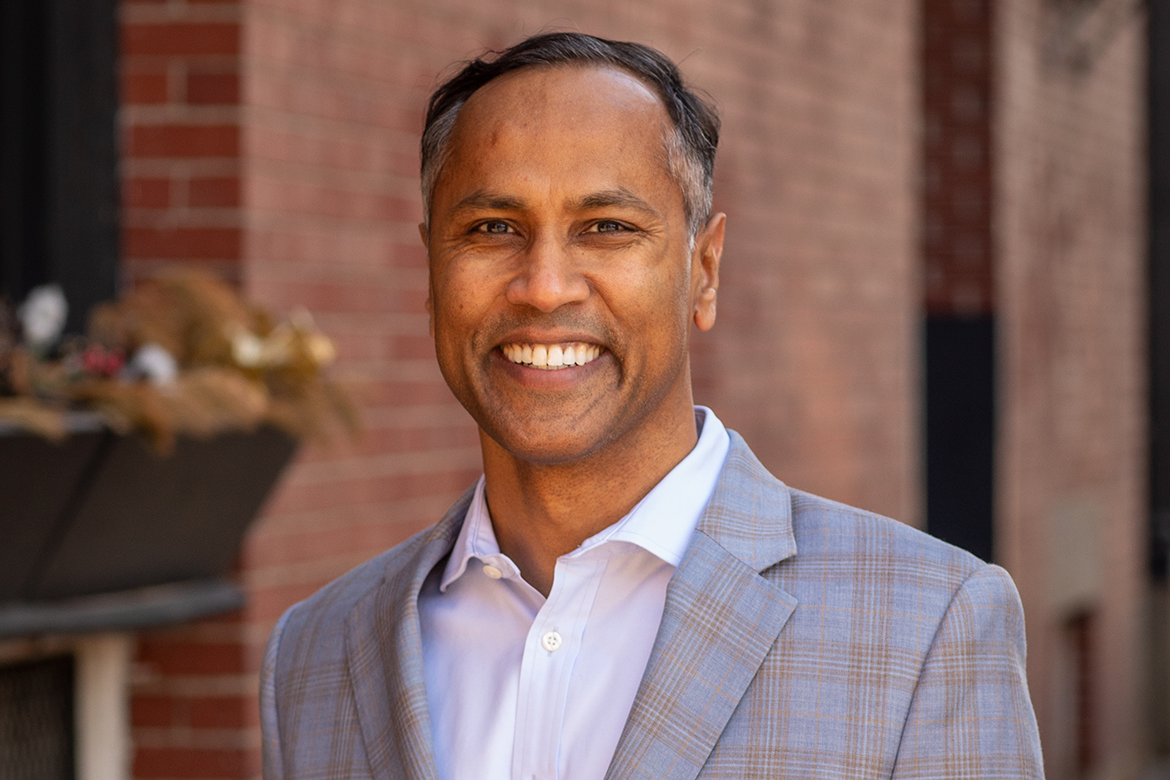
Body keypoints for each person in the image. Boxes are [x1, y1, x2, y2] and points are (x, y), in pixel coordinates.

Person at [260, 32, 1044, 779]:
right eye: (493, 228)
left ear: (703, 272)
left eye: (607, 228)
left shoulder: (925, 628)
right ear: (431, 271)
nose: (544, 286)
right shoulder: (318, 650)